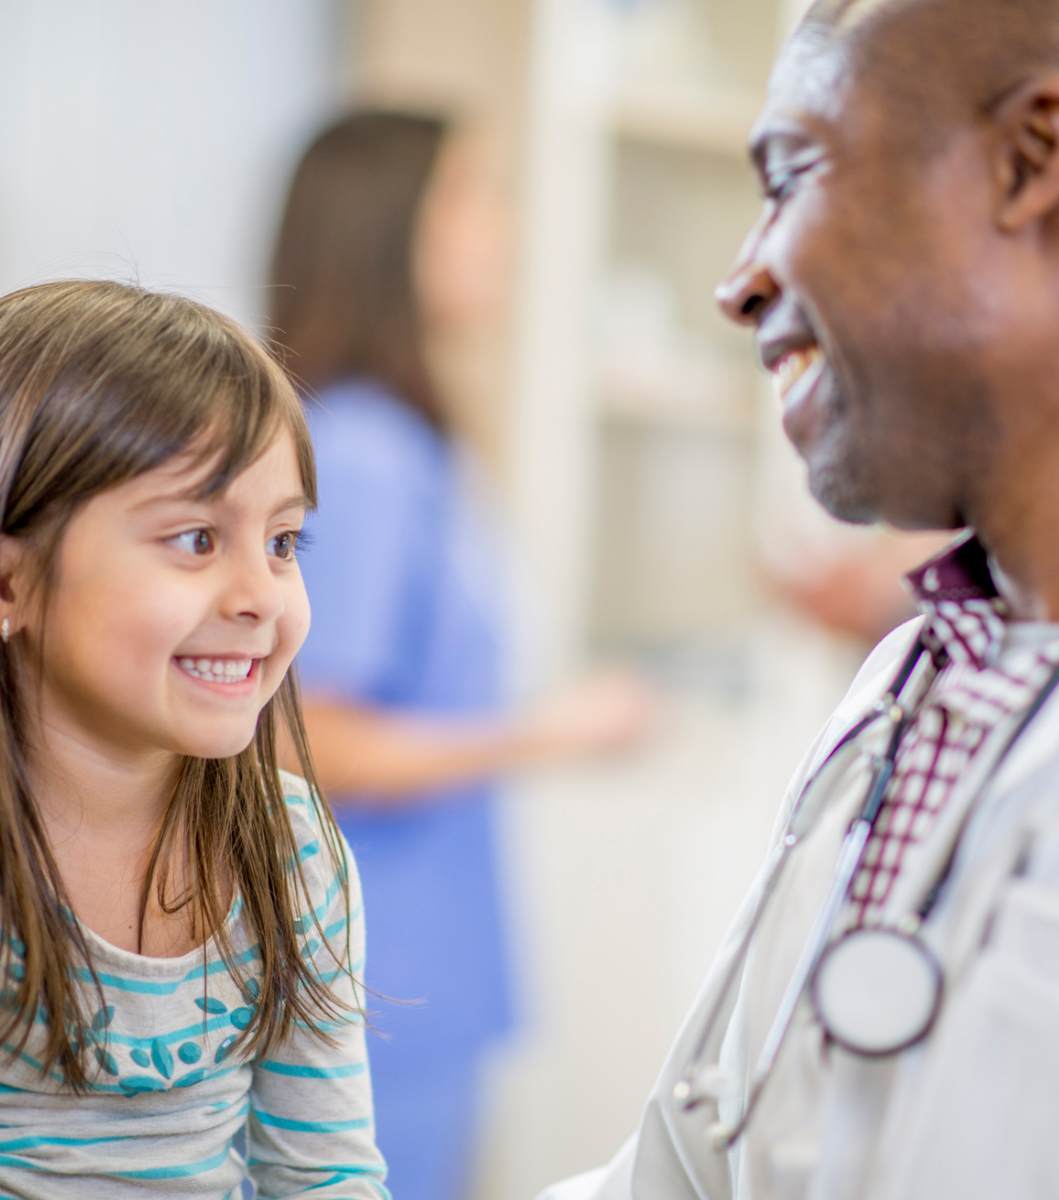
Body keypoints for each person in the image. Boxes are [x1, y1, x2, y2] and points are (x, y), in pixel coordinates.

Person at [541, 1, 1059, 1197]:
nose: (740, 283)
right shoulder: (925, 687)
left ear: (1030, 157)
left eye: (792, 175)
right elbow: (692, 1173)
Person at [269, 111, 650, 1200]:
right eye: (469, 201)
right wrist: (558, 729)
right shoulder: (365, 452)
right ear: (388, 231)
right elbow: (314, 740)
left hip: (417, 975)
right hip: (374, 986)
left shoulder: (400, 438)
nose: (503, 233)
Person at [0, 280, 384, 1197]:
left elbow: (326, 1174)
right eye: (196, 538)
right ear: (11, 586)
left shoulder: (291, 857)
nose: (260, 595)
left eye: (285, 543)